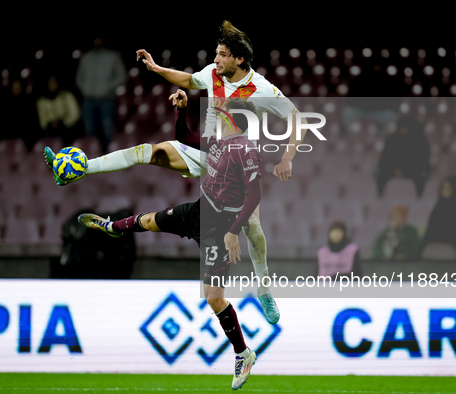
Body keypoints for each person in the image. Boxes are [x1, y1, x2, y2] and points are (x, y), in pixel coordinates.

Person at [46, 21, 307, 324]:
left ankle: (263, 288)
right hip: (206, 152)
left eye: (222, 55)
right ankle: (82, 168)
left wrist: (287, 158)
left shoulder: (261, 88)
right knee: (150, 151)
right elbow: (189, 79)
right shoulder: (213, 72)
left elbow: (297, 119)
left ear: (239, 59)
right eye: (216, 53)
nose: (216, 59)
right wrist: (157, 69)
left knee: (253, 228)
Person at [48, 91, 259, 389]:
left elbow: (254, 196)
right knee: (149, 220)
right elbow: (184, 136)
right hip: (198, 214)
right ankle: (113, 226)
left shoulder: (244, 153)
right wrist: (181, 110)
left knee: (214, 298)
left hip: (219, 231)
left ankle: (243, 353)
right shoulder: (219, 145)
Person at [76, 36, 127, 153]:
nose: (97, 41)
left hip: (106, 99)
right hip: (89, 99)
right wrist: (85, 89)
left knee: (108, 130)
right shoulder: (86, 57)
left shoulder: (112, 56)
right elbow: (79, 78)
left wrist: (109, 87)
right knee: (89, 130)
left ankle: (109, 159)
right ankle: (91, 160)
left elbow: (121, 76)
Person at [420, 176, 456, 253]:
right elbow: (431, 229)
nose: (444, 192)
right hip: (436, 243)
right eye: (443, 189)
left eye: (448, 189)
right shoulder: (439, 206)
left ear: (455, 189)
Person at [375, 115, 430, 198]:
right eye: (402, 127)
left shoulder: (420, 140)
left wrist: (404, 170)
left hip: (413, 170)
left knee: (422, 175)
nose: (404, 130)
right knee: (378, 174)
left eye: (406, 127)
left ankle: (419, 198)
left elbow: (421, 161)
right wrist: (395, 170)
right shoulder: (391, 139)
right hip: (392, 169)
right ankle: (380, 197)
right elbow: (385, 159)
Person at [36, 74, 81, 147]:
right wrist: (51, 124)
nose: (52, 85)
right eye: (50, 83)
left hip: (66, 127)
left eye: (54, 83)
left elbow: (74, 114)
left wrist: (62, 122)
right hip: (50, 129)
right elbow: (42, 120)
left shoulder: (66, 96)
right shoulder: (42, 101)